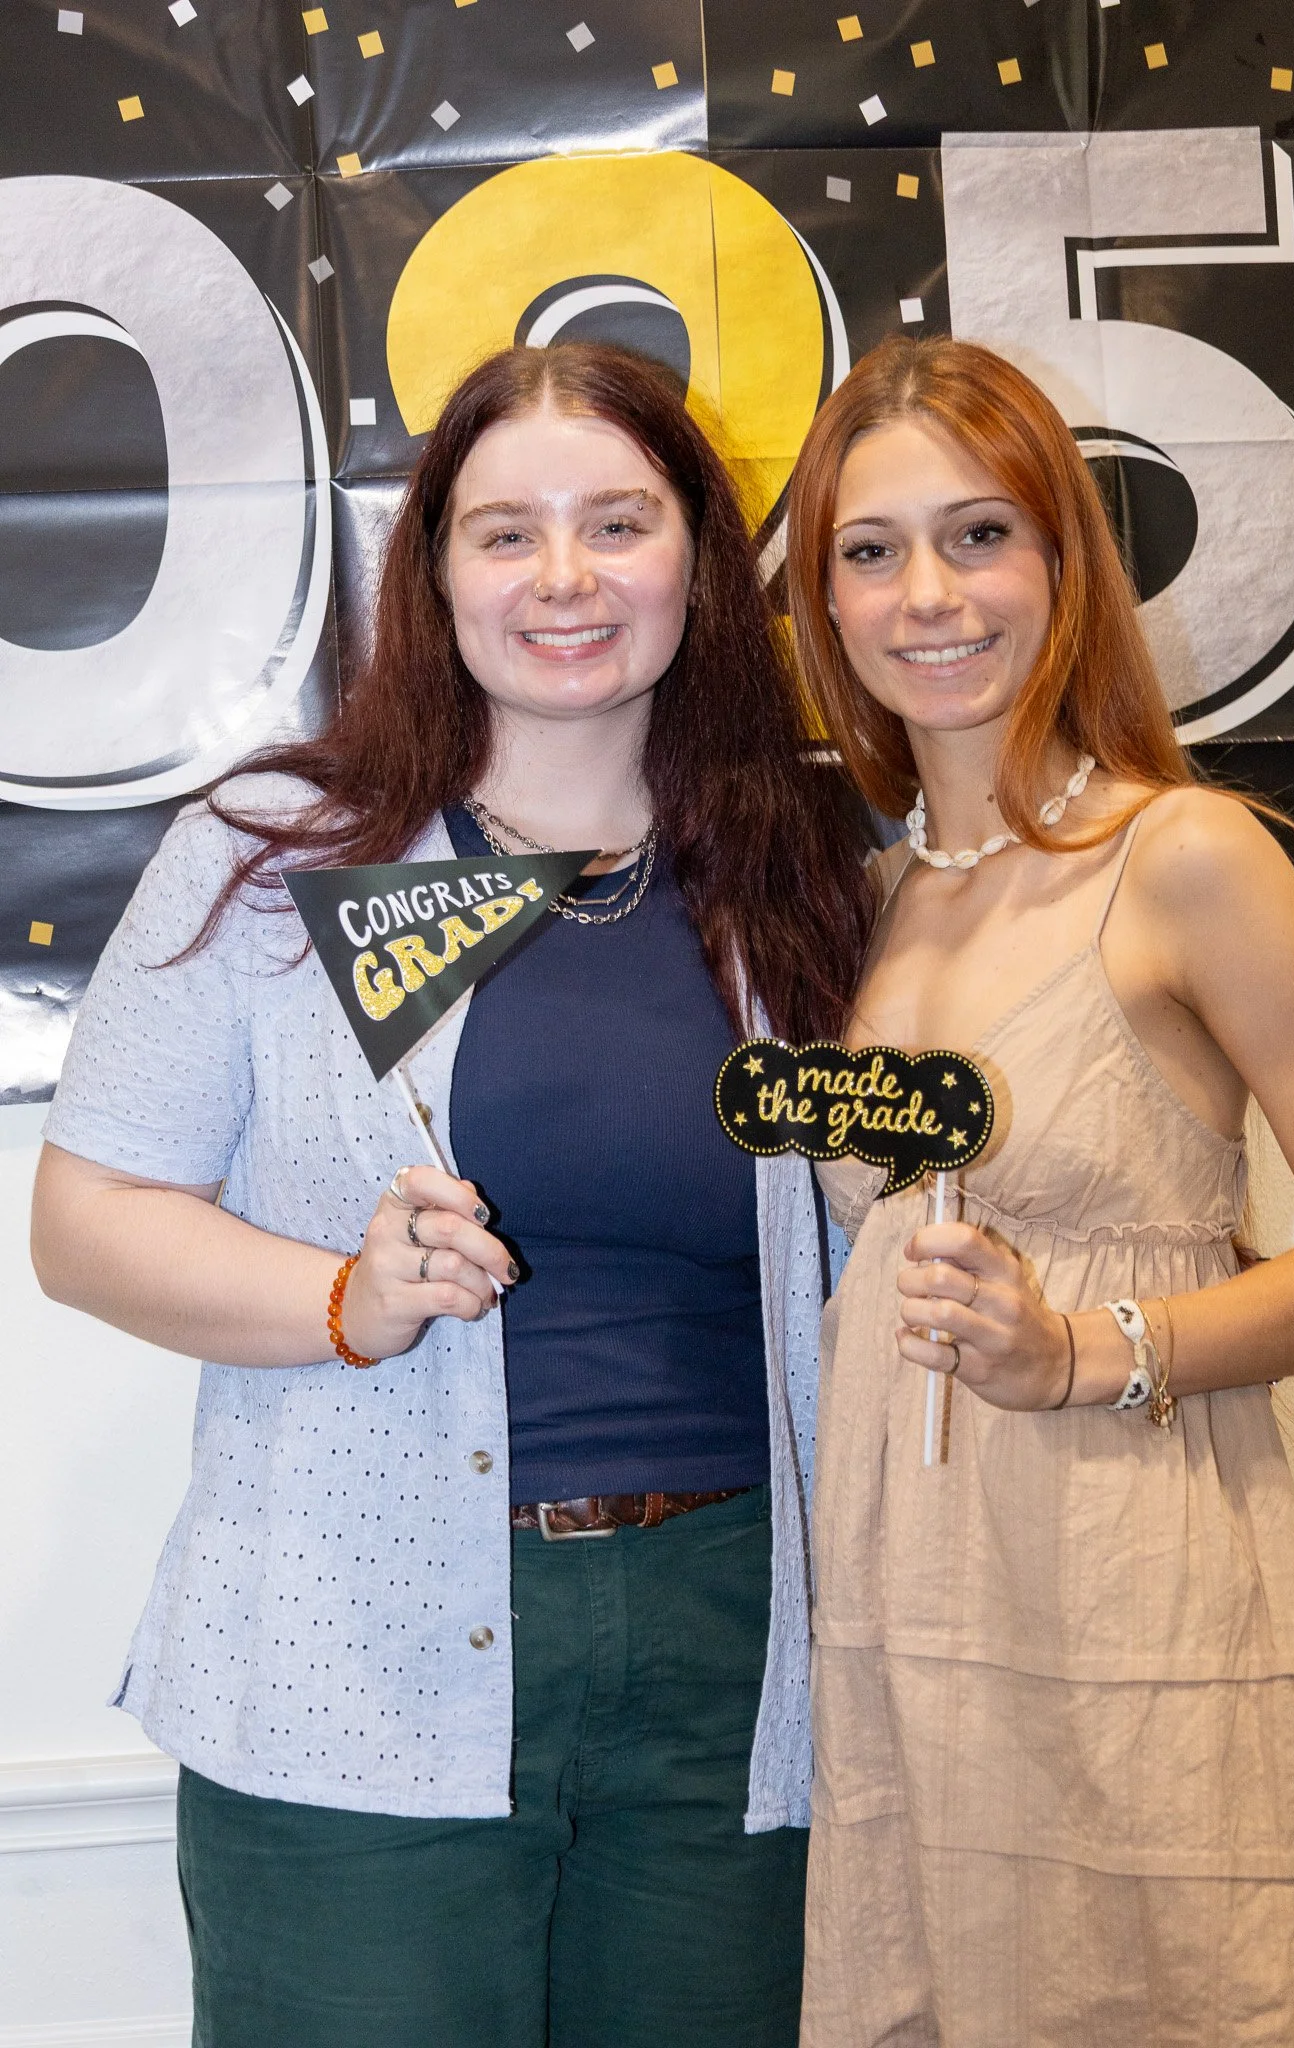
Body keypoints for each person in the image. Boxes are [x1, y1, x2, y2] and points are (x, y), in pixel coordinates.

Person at [30, 341, 876, 2048]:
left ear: (701, 560)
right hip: (350, 1650)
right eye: (506, 533)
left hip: (734, 1661)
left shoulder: (799, 868)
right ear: (428, 574)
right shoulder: (280, 852)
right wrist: (341, 1299)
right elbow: (86, 1215)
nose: (564, 577)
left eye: (618, 522)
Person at [783, 333, 1294, 2045]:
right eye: (871, 553)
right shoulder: (879, 901)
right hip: (912, 1621)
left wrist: (1086, 1349)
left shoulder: (1184, 855)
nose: (929, 598)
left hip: (1142, 1597)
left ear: (1062, 559)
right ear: (823, 605)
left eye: (981, 536)